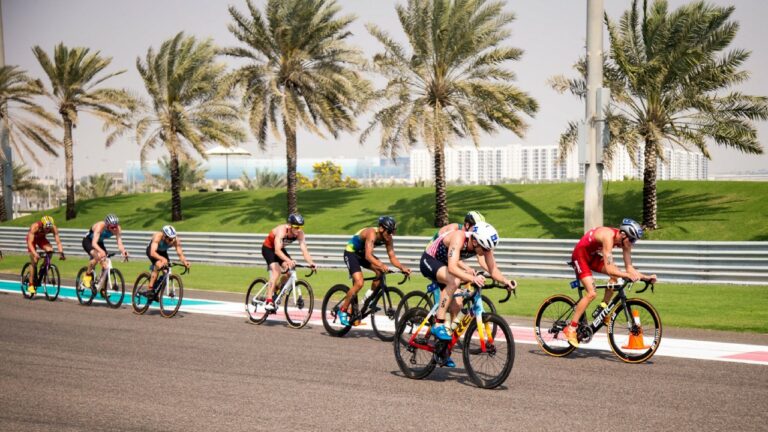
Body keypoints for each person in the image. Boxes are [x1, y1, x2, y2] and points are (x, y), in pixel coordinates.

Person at [420, 221, 516, 366]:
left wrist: (506, 281)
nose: (485, 252)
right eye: (484, 248)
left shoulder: (485, 247)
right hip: (430, 260)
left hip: (444, 266)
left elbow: (493, 269)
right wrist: (473, 278)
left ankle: (443, 350)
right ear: (476, 241)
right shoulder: (459, 237)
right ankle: (438, 324)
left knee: (457, 305)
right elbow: (452, 267)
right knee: (454, 281)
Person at [562, 218, 657, 347]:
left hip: (592, 256)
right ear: (623, 235)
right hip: (580, 256)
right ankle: (571, 328)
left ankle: (603, 308)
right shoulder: (608, 237)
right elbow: (609, 268)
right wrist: (626, 275)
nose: (633, 243)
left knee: (615, 276)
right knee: (591, 293)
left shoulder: (625, 242)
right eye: (632, 239)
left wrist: (646, 277)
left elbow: (630, 268)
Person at [338, 216, 412, 326]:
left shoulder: (388, 238)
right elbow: (368, 256)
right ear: (382, 229)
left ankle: (369, 297)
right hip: (351, 253)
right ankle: (342, 310)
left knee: (380, 273)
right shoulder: (371, 233)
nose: (391, 235)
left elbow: (392, 257)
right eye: (390, 232)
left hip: (362, 254)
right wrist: (381, 264)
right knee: (359, 283)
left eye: (393, 232)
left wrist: (402, 267)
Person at [261, 213, 317, 311]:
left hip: (280, 250)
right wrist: (288, 260)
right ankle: (269, 301)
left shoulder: (300, 233)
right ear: (290, 225)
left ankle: (277, 287)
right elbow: (277, 250)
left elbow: (304, 250)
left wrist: (311, 263)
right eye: (296, 227)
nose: (298, 229)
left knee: (290, 271)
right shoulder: (282, 230)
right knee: (276, 272)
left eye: (301, 227)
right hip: (269, 249)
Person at [81, 214, 129, 292]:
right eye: (112, 227)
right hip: (89, 241)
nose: (114, 229)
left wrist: (123, 251)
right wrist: (101, 251)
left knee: (105, 264)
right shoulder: (100, 226)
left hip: (99, 242)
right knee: (98, 256)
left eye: (115, 226)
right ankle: (87, 276)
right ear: (107, 225)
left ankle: (102, 288)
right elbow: (94, 243)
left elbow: (119, 243)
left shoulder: (117, 229)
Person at [25, 215, 66, 295]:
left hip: (41, 239)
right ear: (42, 225)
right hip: (32, 240)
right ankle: (31, 285)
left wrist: (61, 253)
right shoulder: (35, 226)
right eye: (46, 228)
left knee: (50, 250)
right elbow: (30, 243)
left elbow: (58, 242)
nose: (47, 230)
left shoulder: (53, 228)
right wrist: (35, 253)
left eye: (49, 228)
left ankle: (43, 267)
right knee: (34, 259)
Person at [145, 225, 190, 292]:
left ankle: (156, 291)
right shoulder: (158, 236)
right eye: (169, 239)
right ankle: (150, 287)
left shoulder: (175, 240)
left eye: (173, 238)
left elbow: (180, 253)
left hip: (163, 252)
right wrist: (162, 259)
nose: (172, 241)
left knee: (166, 272)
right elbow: (152, 253)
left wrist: (185, 261)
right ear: (164, 236)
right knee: (158, 265)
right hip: (152, 251)